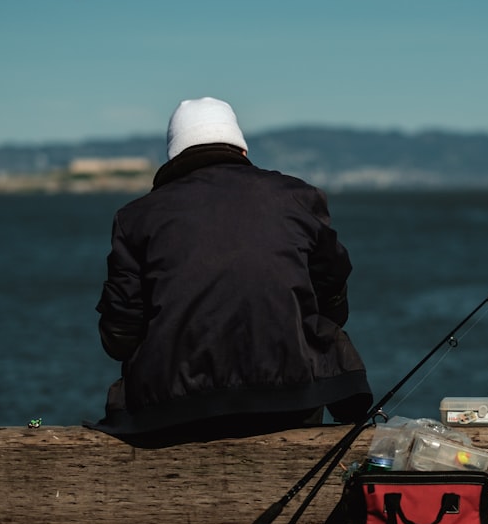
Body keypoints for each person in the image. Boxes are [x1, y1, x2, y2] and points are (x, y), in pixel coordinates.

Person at [86, 97, 373, 447]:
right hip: (289, 400)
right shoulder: (297, 197)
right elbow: (333, 293)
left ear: (174, 156)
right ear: (240, 149)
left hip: (173, 411)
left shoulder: (136, 217)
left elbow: (119, 338)